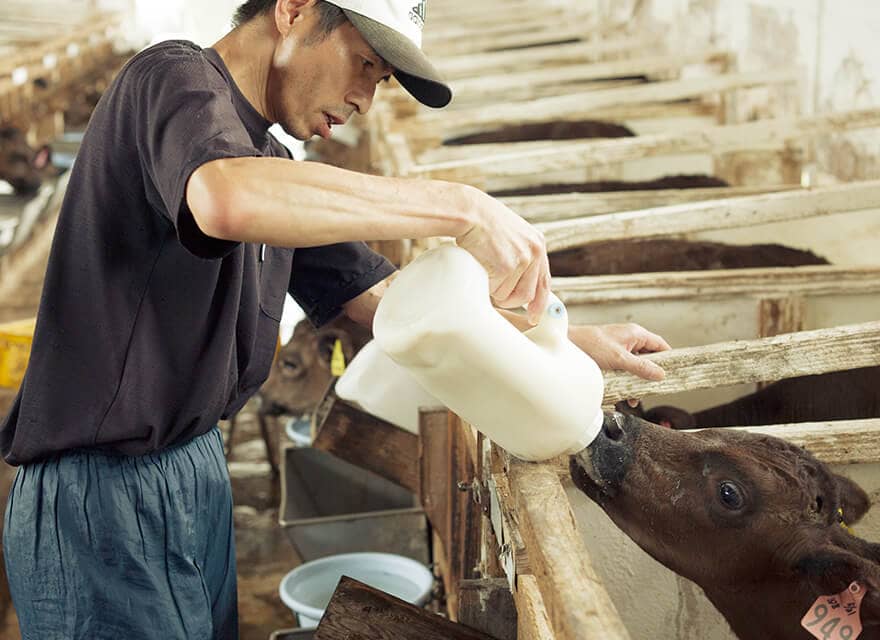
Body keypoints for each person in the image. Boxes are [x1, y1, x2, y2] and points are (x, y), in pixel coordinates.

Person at [0, 1, 670, 637]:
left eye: (380, 81)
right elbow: (222, 198)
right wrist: (461, 206)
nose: (363, 102)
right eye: (364, 65)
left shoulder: (272, 166)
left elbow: (392, 310)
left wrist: (562, 341)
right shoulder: (173, 78)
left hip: (194, 473)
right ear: (293, 10)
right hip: (100, 493)